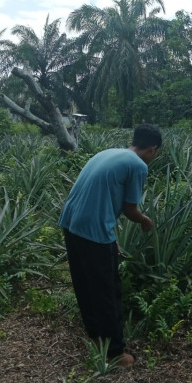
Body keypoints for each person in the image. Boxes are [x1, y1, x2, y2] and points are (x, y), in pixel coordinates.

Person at [59, 123, 162, 367]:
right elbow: (130, 209)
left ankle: (96, 336)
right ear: (153, 150)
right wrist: (146, 221)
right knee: (107, 290)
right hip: (93, 231)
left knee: (85, 284)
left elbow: (102, 201)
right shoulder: (138, 165)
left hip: (71, 223)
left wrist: (112, 241)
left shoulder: (107, 153)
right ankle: (116, 353)